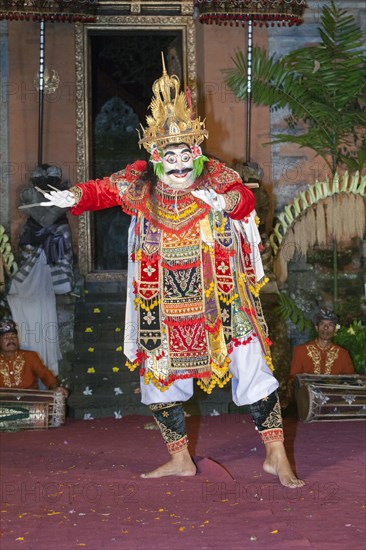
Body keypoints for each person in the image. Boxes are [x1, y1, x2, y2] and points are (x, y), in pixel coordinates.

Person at [40, 59, 304, 487]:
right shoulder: (140, 184)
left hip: (222, 294)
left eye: (186, 155)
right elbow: (102, 190)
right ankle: (180, 458)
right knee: (158, 378)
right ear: (156, 158)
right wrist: (71, 196)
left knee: (253, 362)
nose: (180, 165)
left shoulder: (216, 177)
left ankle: (276, 454)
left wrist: (224, 204)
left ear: (196, 154)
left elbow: (244, 200)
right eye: (171, 157)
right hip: (159, 300)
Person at [0, 320, 67, 393]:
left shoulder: (30, 356)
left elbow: (45, 375)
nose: (11, 340)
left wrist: (55, 388)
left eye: (14, 337)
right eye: (6, 337)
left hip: (30, 400)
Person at [289, 309, 354, 380]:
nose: (326, 328)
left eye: (330, 325)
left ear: (335, 330)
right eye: (322, 324)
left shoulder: (343, 354)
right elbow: (293, 381)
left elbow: (350, 382)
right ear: (316, 328)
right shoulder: (301, 351)